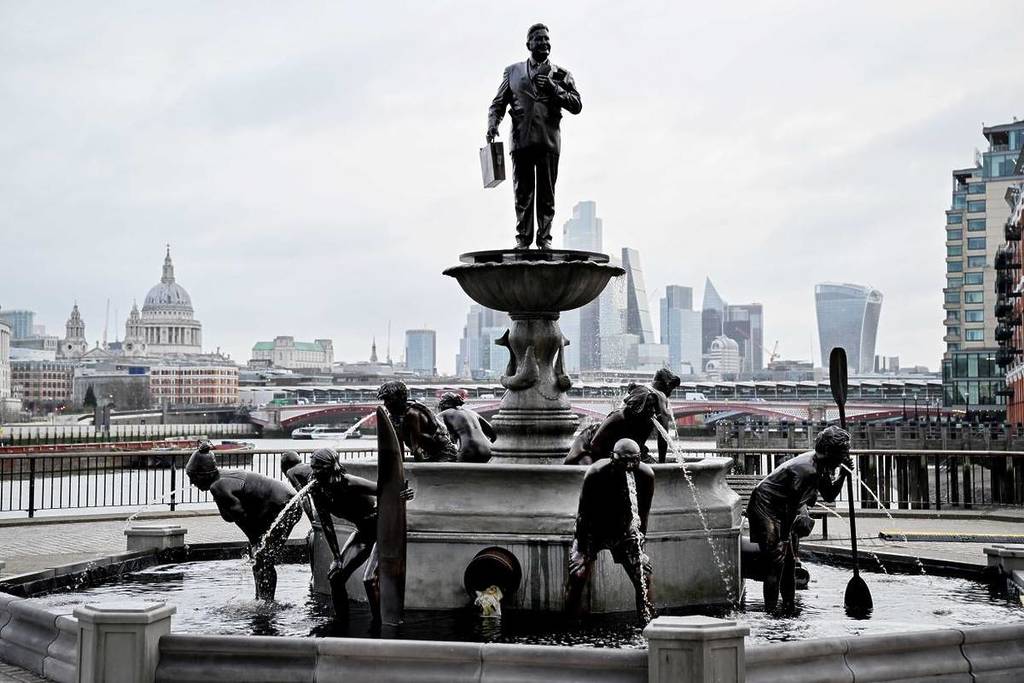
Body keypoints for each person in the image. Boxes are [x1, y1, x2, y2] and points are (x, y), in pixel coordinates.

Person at [487, 23, 582, 250]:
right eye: (539, 39)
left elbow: (577, 104)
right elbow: (498, 104)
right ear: (528, 44)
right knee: (523, 193)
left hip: (548, 142)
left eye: (547, 39)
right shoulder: (513, 71)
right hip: (521, 141)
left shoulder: (561, 74)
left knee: (547, 195)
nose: (544, 42)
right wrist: (492, 124)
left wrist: (553, 88)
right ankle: (523, 239)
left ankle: (545, 239)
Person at [746, 425, 852, 612]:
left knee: (788, 563)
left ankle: (788, 606)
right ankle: (770, 614)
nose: (845, 457)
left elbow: (828, 496)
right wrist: (785, 538)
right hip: (766, 506)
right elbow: (791, 507)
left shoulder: (822, 465)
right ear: (828, 451)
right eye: (842, 453)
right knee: (776, 560)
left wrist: (843, 475)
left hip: (784, 507)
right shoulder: (808, 470)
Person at [308, 447, 413, 623]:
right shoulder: (317, 489)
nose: (315, 472)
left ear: (330, 467)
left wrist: (404, 494)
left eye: (318, 468)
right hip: (363, 533)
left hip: (383, 529)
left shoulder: (349, 483)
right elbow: (326, 524)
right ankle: (341, 623)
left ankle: (380, 624)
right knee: (335, 576)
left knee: (369, 578)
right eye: (313, 467)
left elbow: (386, 491)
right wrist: (337, 558)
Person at [185, 442, 300, 601]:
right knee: (261, 557)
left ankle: (266, 604)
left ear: (202, 474)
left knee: (263, 557)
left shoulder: (218, 486)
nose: (192, 483)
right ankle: (261, 599)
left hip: (285, 506)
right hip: (282, 503)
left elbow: (242, 519)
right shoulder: (220, 480)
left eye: (192, 477)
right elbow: (239, 517)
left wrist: (255, 542)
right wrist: (256, 542)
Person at [565, 438, 655, 625]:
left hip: (623, 530)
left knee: (643, 575)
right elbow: (582, 514)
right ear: (613, 457)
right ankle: (571, 625)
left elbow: (643, 516)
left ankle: (648, 625)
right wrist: (581, 550)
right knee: (578, 573)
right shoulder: (596, 473)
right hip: (593, 528)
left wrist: (641, 548)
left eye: (635, 460)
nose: (630, 465)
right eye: (624, 460)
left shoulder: (646, 475)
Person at [565, 385, 660, 465]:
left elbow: (638, 446)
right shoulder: (618, 417)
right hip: (588, 447)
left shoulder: (649, 422)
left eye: (654, 406)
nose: (653, 410)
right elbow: (595, 445)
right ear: (638, 406)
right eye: (649, 406)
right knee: (590, 470)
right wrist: (612, 461)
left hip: (614, 450)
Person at [377, 381, 458, 462]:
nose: (385, 404)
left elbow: (417, 448)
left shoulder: (412, 414)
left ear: (400, 398)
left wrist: (417, 471)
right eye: (384, 400)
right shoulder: (393, 417)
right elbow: (398, 445)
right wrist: (400, 464)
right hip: (429, 453)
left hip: (445, 453)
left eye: (388, 399)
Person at [437, 392, 497, 463]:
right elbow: (494, 434)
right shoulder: (472, 413)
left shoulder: (443, 414)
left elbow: (438, 436)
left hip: (469, 449)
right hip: (488, 448)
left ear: (443, 404)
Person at [280, 450, 315, 524]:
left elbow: (303, 496)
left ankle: (315, 525)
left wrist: (311, 519)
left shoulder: (290, 472)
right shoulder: (307, 465)